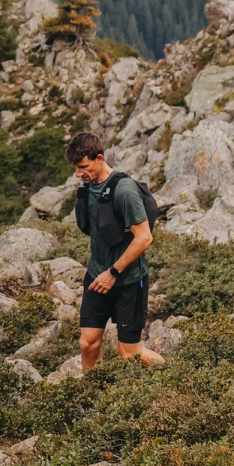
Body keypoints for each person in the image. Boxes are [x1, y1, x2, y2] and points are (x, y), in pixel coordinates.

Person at [65, 130, 165, 372]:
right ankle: (93, 398)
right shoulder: (87, 186)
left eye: (83, 167)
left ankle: (169, 375)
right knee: (87, 344)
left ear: (99, 157)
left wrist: (113, 272)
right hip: (97, 277)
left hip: (128, 281)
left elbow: (144, 238)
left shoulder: (124, 189)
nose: (79, 174)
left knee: (129, 354)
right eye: (76, 169)